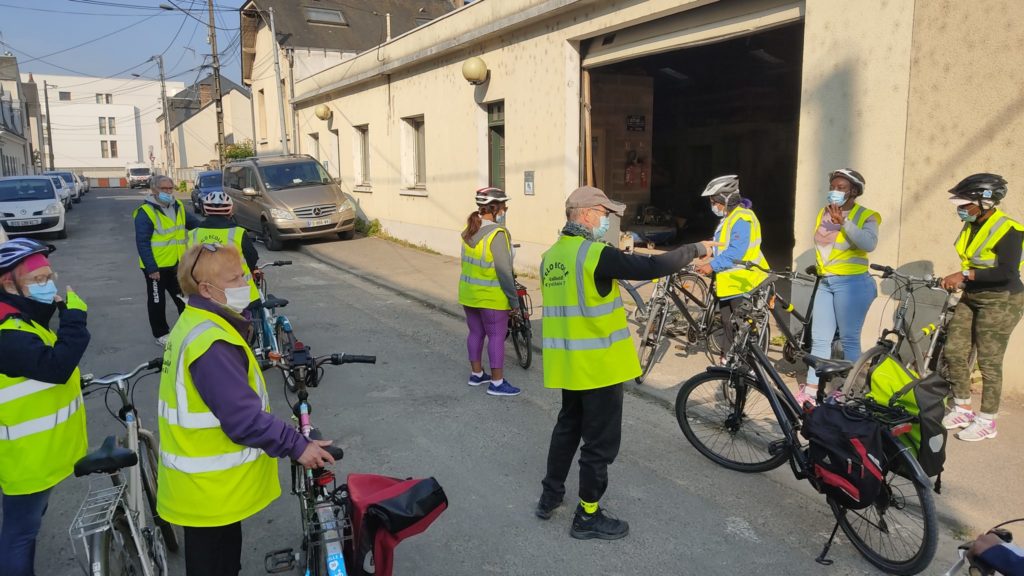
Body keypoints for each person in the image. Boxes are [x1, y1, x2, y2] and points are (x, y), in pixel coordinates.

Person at [536, 186, 713, 540]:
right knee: (599, 445)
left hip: (569, 366)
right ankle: (587, 516)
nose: (608, 221)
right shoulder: (594, 255)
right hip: (600, 367)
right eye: (605, 214)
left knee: (567, 430)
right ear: (585, 215)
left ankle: (549, 497)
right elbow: (654, 266)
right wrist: (697, 248)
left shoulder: (552, 256)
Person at [156, 243, 336, 576]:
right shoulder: (212, 343)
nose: (246, 284)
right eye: (237, 279)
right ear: (208, 290)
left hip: (205, 490)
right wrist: (298, 445)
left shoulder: (197, 321)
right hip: (209, 488)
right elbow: (242, 419)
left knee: (222, 561)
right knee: (216, 566)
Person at [0, 238, 90, 576]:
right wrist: (74, 321)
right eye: (38, 280)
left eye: (50, 276)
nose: (49, 284)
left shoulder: (20, 317)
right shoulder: (6, 332)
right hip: (25, 457)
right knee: (20, 534)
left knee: (28, 526)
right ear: (8, 284)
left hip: (38, 454)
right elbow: (53, 366)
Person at [939, 173, 1023, 442]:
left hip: (1002, 299)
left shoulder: (1009, 229)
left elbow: (1007, 272)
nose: (961, 209)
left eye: (965, 204)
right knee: (954, 350)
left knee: (989, 362)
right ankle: (962, 406)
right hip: (973, 295)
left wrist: (963, 275)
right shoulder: (973, 224)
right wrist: (963, 278)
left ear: (985, 202)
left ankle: (988, 420)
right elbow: (973, 262)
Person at [802, 168, 881, 404]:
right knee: (820, 340)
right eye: (833, 187)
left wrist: (844, 223)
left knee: (849, 339)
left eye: (841, 188)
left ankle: (852, 392)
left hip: (852, 284)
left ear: (854, 191)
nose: (834, 191)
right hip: (827, 281)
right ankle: (809, 391)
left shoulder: (866, 215)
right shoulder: (823, 213)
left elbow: (868, 244)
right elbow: (825, 248)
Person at [694, 175, 769, 362]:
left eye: (714, 202)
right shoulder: (730, 217)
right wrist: (711, 255)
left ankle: (751, 362)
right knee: (727, 322)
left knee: (742, 325)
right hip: (729, 281)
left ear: (725, 199)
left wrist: (712, 265)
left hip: (743, 280)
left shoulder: (743, 218)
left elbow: (737, 251)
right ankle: (727, 357)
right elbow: (725, 245)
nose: (713, 206)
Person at [457, 187, 520, 396]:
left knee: (475, 332)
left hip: (469, 293)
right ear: (495, 208)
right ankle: (497, 382)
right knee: (496, 336)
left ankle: (476, 374)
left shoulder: (469, 231)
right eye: (504, 207)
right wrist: (514, 302)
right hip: (491, 297)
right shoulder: (497, 234)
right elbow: (504, 272)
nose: (505, 211)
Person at [133, 175, 199, 347]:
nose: (169, 192)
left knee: (184, 299)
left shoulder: (177, 206)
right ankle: (161, 334)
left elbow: (196, 225)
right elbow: (142, 243)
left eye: (171, 188)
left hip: (177, 264)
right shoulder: (145, 213)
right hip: (156, 267)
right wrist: (151, 268)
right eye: (164, 189)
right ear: (154, 190)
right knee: (157, 301)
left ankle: (188, 328)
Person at [186, 191, 260, 308]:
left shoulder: (194, 234)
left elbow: (189, 264)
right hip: (239, 293)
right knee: (249, 322)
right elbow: (252, 257)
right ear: (230, 210)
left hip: (207, 293)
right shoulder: (238, 232)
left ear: (205, 210)